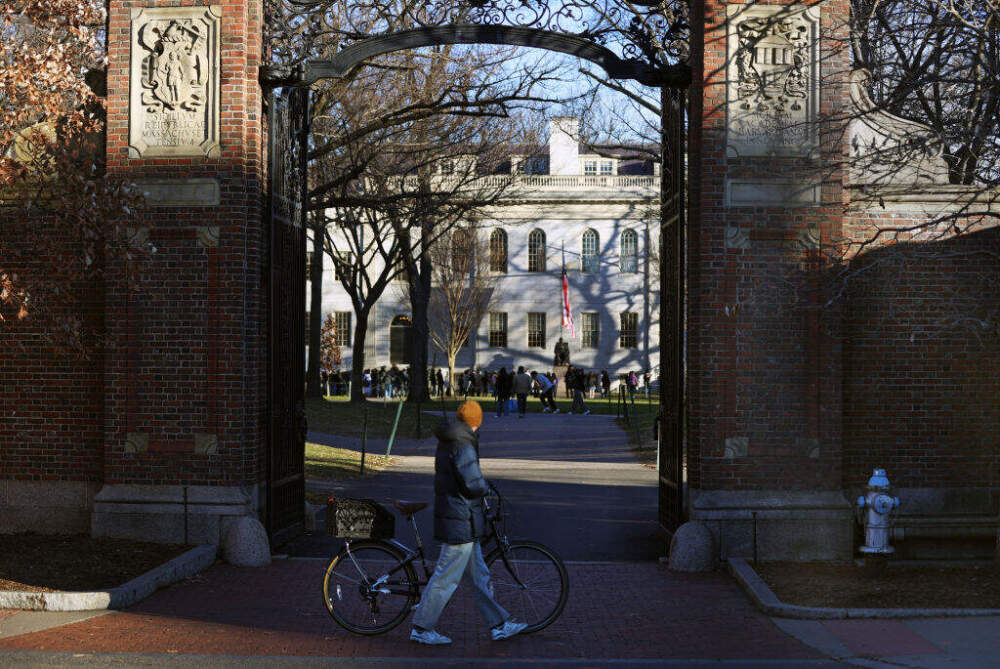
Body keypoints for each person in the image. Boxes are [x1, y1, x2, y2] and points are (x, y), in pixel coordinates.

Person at [409, 401, 527, 645]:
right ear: (476, 422)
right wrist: (486, 488)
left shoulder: (451, 438)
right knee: (446, 577)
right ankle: (421, 627)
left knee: (479, 576)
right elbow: (471, 481)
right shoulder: (463, 443)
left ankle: (499, 624)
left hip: (461, 518)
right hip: (460, 518)